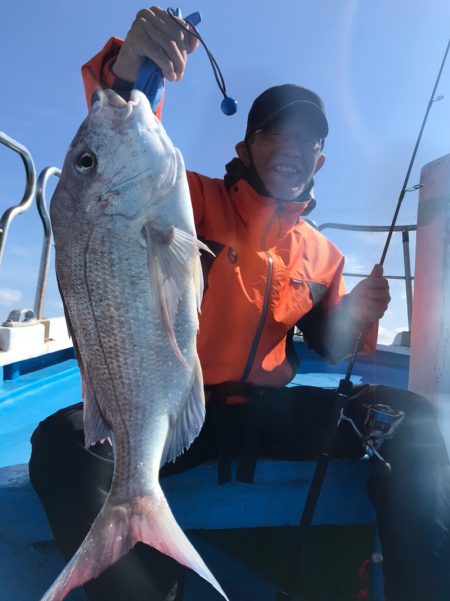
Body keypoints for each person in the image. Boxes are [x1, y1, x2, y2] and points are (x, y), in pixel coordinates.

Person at [29, 7, 450, 601]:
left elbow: (329, 345)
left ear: (321, 161)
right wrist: (128, 67)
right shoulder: (189, 197)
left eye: (308, 139)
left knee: (414, 421)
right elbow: (120, 142)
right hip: (173, 410)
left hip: (266, 413)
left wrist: (359, 309)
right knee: (58, 447)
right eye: (274, 132)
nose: (292, 147)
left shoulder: (322, 256)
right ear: (246, 146)